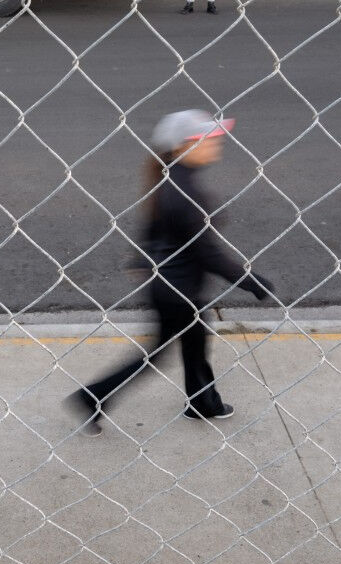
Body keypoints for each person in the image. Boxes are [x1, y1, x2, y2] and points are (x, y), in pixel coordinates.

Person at [68, 110, 275, 436]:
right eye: (205, 138)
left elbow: (153, 226)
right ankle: (92, 396)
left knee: (194, 345)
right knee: (159, 356)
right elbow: (208, 254)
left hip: (169, 286)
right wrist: (252, 282)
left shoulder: (170, 180)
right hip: (179, 293)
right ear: (183, 147)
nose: (215, 142)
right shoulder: (185, 192)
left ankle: (202, 404)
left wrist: (143, 259)